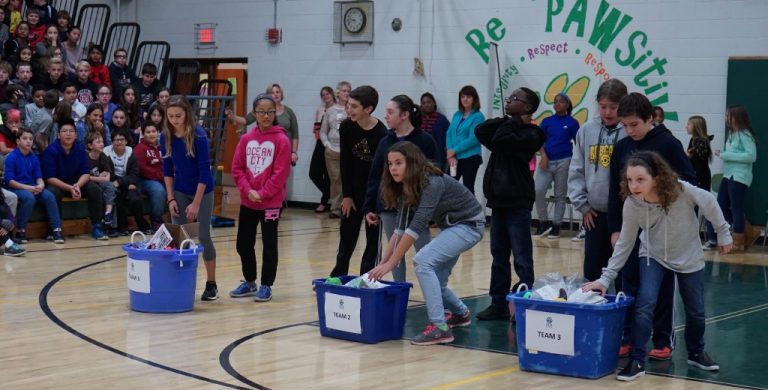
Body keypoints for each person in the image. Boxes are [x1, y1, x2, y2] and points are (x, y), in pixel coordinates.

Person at [583, 151, 730, 382]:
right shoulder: (632, 204)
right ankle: (637, 359)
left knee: (696, 310)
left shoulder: (682, 191)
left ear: (657, 177)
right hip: (653, 255)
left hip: (688, 255)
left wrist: (723, 233)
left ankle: (696, 351)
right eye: (630, 180)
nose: (634, 186)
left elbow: (710, 202)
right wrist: (605, 278)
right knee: (645, 303)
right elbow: (625, 243)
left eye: (640, 179)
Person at [609, 92, 698, 361]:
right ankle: (628, 334)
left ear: (650, 118)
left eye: (634, 124)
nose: (629, 130)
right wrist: (615, 227)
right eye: (625, 125)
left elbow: (690, 183)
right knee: (628, 281)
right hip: (632, 225)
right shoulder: (622, 147)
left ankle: (662, 338)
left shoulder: (668, 143)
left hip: (662, 230)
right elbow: (616, 191)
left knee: (660, 287)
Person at [369, 141, 485, 345]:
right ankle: (461, 313)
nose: (393, 168)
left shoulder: (432, 182)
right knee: (436, 283)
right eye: (390, 163)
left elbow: (416, 227)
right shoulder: (407, 185)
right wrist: (383, 262)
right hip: (453, 227)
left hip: (469, 225)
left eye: (398, 163)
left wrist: (391, 264)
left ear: (412, 163)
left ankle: (439, 327)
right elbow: (399, 230)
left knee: (422, 262)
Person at [474, 87, 545, 321]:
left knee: (522, 256)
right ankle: (498, 303)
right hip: (499, 202)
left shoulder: (533, 134)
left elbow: (500, 138)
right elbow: (481, 130)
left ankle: (525, 302)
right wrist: (508, 118)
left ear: (527, 107)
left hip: (518, 203)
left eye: (515, 99)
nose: (509, 99)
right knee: (498, 254)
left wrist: (514, 122)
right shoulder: (508, 128)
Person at [363, 94, 438, 282]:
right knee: (395, 252)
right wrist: (370, 206)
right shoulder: (384, 141)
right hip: (389, 206)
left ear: (404, 115)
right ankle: (399, 294)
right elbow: (374, 176)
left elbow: (436, 174)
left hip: (417, 207)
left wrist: (431, 210)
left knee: (424, 254)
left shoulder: (425, 140)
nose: (386, 116)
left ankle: (436, 295)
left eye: (390, 112)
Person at [228, 93, 291, 302]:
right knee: (243, 244)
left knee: (269, 244)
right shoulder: (246, 139)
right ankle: (250, 281)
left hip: (271, 203)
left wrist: (262, 194)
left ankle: (266, 285)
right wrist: (248, 191)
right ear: (254, 114)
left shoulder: (282, 139)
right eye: (262, 112)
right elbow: (237, 168)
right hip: (248, 202)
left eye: (270, 112)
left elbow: (280, 173)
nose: (266, 116)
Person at [568, 78, 628, 288]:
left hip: (625, 216)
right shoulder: (586, 130)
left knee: (623, 273)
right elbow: (576, 170)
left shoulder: (629, 131)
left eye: (614, 107)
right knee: (592, 271)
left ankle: (625, 318)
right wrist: (582, 205)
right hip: (594, 215)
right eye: (603, 107)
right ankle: (593, 314)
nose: (608, 112)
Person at [161, 95, 218, 301]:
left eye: (178, 115)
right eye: (170, 116)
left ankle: (211, 284)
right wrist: (170, 199)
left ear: (187, 114)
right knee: (181, 237)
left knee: (203, 235)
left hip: (203, 191)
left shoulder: (199, 136)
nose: (175, 120)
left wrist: (196, 202)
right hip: (180, 191)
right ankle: (180, 282)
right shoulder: (165, 136)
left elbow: (205, 172)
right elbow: (167, 170)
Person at [330, 85, 386, 277]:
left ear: (368, 109)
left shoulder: (382, 133)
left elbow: (382, 172)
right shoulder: (346, 127)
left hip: (374, 194)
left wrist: (375, 203)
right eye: (348, 105)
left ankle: (367, 278)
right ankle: (338, 276)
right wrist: (346, 195)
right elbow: (344, 162)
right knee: (346, 239)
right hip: (352, 193)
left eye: (354, 106)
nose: (349, 110)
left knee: (372, 241)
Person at [43, 117, 107, 240]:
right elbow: (50, 178)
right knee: (52, 192)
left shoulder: (80, 150)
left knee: (95, 189)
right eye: (64, 131)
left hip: (76, 182)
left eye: (71, 131)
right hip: (58, 183)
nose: (68, 134)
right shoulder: (50, 151)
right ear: (58, 135)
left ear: (76, 135)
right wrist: (70, 188)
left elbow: (86, 174)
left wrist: (77, 186)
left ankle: (97, 227)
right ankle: (55, 229)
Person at [709, 105, 759, 251]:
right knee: (721, 206)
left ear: (735, 118)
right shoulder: (731, 134)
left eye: (727, 116)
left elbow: (751, 156)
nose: (725, 118)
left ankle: (738, 242)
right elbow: (735, 153)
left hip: (739, 176)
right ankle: (749, 231)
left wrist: (725, 155)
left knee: (736, 208)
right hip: (728, 175)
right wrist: (723, 153)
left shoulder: (745, 135)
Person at [533, 93, 580, 238]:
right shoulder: (547, 121)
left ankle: (557, 225)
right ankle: (543, 222)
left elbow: (578, 143)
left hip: (564, 161)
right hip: (546, 161)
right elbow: (539, 140)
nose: (557, 104)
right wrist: (544, 156)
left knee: (560, 194)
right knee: (538, 190)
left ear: (567, 104)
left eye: (561, 101)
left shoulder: (572, 122)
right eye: (555, 102)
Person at [4, 127, 62, 244]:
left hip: (32, 187)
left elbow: (39, 178)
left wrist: (40, 185)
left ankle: (56, 230)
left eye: (30, 139)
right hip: (16, 188)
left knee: (49, 196)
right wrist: (30, 188)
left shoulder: (34, 157)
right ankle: (20, 231)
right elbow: (10, 181)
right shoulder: (11, 157)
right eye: (25, 138)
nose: (28, 141)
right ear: (18, 141)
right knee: (29, 198)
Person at [104, 130, 149, 235]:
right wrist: (122, 183)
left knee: (135, 199)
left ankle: (143, 226)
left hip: (128, 184)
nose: (119, 142)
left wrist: (121, 182)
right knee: (118, 197)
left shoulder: (131, 154)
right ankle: (122, 228)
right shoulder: (106, 153)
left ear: (126, 141)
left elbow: (134, 174)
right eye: (116, 140)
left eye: (121, 140)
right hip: (114, 184)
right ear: (112, 142)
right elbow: (108, 172)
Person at [445, 85, 485, 194]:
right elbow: (449, 134)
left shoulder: (478, 116)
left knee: (468, 187)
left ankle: (472, 211)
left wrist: (455, 150)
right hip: (454, 158)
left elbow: (474, 138)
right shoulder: (457, 115)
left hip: (470, 157)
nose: (465, 99)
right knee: (449, 186)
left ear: (474, 99)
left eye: (468, 97)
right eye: (463, 97)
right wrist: (450, 153)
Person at [319, 81, 350, 218]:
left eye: (348, 91)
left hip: (347, 150)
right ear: (338, 93)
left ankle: (348, 207)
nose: (346, 93)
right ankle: (336, 208)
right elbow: (323, 131)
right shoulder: (330, 111)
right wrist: (326, 144)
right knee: (336, 180)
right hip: (332, 150)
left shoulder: (351, 110)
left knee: (347, 179)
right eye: (344, 90)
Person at [134, 121, 165, 231]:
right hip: (145, 180)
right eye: (148, 132)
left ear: (158, 133)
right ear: (143, 134)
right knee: (158, 190)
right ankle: (156, 220)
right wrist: (161, 177)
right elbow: (142, 169)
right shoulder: (140, 148)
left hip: (163, 178)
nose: (151, 134)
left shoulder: (163, 147)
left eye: (154, 131)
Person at [85, 131, 116, 234]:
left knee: (110, 187)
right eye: (98, 142)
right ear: (90, 145)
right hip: (89, 184)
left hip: (99, 182)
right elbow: (85, 177)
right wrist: (98, 177)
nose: (102, 144)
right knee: (97, 190)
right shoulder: (85, 158)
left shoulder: (103, 156)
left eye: (102, 141)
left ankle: (108, 213)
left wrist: (93, 177)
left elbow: (107, 178)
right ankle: (99, 224)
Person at [308, 85, 333, 213]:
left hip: (332, 144)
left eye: (327, 93)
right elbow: (317, 129)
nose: (325, 96)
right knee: (313, 173)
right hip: (320, 144)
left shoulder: (337, 109)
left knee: (329, 175)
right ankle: (331, 194)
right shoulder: (320, 110)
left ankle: (324, 202)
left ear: (332, 94)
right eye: (323, 95)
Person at [267, 83, 299, 166]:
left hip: (286, 150)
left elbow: (295, 134)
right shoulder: (265, 112)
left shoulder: (289, 111)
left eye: (277, 92)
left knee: (286, 177)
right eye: (272, 92)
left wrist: (294, 152)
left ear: (281, 94)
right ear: (268, 95)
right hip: (269, 151)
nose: (275, 94)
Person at [419, 92, 449, 171]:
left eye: (429, 102)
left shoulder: (442, 120)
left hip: (438, 157)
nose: (426, 105)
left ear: (434, 103)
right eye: (423, 103)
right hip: (420, 158)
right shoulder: (418, 120)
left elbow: (449, 137)